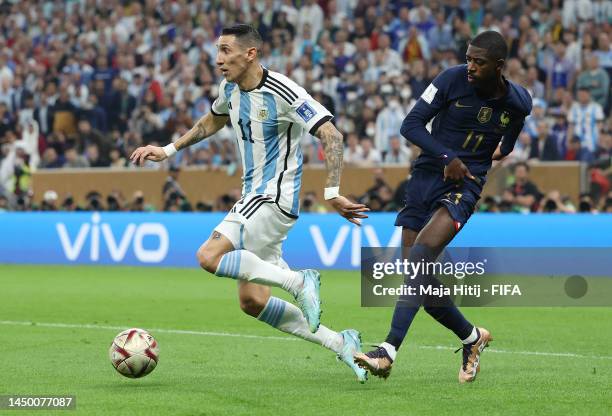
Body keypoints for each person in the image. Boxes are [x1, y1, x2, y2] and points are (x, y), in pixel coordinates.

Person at [130, 24, 369, 382]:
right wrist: (167, 150)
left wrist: (332, 192)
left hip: (270, 196)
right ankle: (343, 344)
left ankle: (298, 282)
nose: (218, 59)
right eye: (218, 51)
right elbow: (212, 120)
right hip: (256, 199)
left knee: (208, 256)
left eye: (226, 51)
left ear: (251, 54)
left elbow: (330, 134)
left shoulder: (284, 91)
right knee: (253, 301)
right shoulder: (230, 89)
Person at [354, 31, 532, 383]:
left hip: (462, 187)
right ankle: (472, 337)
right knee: (417, 277)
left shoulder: (517, 102)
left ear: (499, 66)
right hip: (424, 179)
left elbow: (507, 145)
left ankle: (387, 351)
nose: (469, 66)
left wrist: (474, 166)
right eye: (468, 58)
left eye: (478, 62)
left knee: (419, 259)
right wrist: (448, 156)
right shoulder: (450, 79)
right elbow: (411, 125)